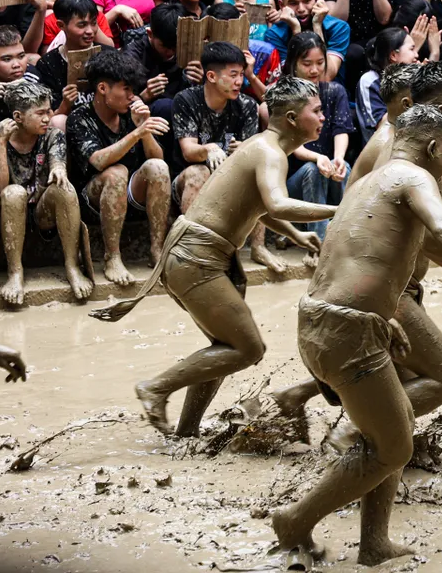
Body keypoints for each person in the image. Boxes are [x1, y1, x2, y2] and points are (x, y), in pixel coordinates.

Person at [268, 104, 442, 569]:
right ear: (433, 148)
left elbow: (356, 257)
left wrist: (384, 319)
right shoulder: (413, 178)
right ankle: (294, 520)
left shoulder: (368, 181)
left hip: (327, 320)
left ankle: (374, 544)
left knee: (394, 427)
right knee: (395, 446)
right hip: (347, 330)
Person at [91, 77, 332, 438]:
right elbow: (279, 203)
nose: (324, 118)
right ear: (294, 118)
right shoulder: (269, 153)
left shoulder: (263, 148)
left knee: (226, 346)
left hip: (200, 255)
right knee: (247, 348)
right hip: (196, 257)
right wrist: (343, 209)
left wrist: (297, 235)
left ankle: (186, 432)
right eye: (318, 111)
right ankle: (155, 387)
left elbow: (258, 208)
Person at [171, 41, 288, 273]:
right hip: (189, 183)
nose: (239, 82)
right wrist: (210, 149)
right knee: (199, 172)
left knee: (258, 171)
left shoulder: (246, 105)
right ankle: (192, 249)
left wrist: (243, 151)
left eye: (241, 74)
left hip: (231, 182)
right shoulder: (186, 100)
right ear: (212, 76)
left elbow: (252, 151)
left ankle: (258, 246)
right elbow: (188, 151)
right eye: (233, 75)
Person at [67, 48, 171, 285]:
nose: (132, 96)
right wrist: (137, 133)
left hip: (131, 194)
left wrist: (144, 129)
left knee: (157, 167)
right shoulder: (80, 117)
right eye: (126, 89)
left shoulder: (129, 114)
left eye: (133, 90)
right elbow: (98, 161)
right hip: (92, 198)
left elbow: (158, 160)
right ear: (103, 89)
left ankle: (157, 250)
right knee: (116, 172)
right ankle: (112, 257)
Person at [0, 80, 91, 306]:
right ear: (18, 117)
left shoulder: (52, 135)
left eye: (49, 110)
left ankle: (72, 266)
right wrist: (0, 144)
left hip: (42, 213)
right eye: (40, 113)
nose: (48, 117)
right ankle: (15, 273)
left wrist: (58, 168)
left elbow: (57, 161)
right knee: (14, 192)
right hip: (9, 215)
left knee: (65, 187)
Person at [282, 32, 354, 243]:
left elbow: (341, 129)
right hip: (295, 183)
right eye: (307, 63)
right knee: (312, 171)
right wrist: (316, 158)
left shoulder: (335, 91)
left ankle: (347, 236)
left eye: (319, 63)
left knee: (345, 167)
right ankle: (319, 242)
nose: (314, 70)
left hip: (327, 172)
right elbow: (292, 145)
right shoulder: (284, 96)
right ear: (294, 64)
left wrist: (338, 158)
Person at [265, 0, 353, 83]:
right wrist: (296, 30)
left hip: (333, 93)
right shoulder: (274, 34)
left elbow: (326, 77)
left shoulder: (338, 27)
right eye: (293, 3)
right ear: (282, 5)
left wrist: (317, 26)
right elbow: (292, 77)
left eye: (307, 1)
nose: (301, 9)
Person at [121, 2, 196, 121]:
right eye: (165, 46)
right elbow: (119, 104)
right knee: (165, 106)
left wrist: (203, 81)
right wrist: (145, 95)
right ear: (150, 34)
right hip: (148, 117)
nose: (171, 52)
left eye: (176, 47)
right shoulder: (132, 56)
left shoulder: (192, 49)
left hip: (186, 111)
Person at [36, 0, 100, 131]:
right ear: (61, 25)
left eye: (94, 23)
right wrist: (65, 104)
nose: (90, 31)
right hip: (71, 125)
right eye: (82, 25)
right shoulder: (47, 64)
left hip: (105, 122)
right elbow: (48, 118)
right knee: (58, 121)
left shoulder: (106, 54)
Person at [0, 27, 37, 136]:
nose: (17, 65)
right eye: (7, 59)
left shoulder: (31, 75)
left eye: (21, 56)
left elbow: (47, 115)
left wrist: (30, 93)